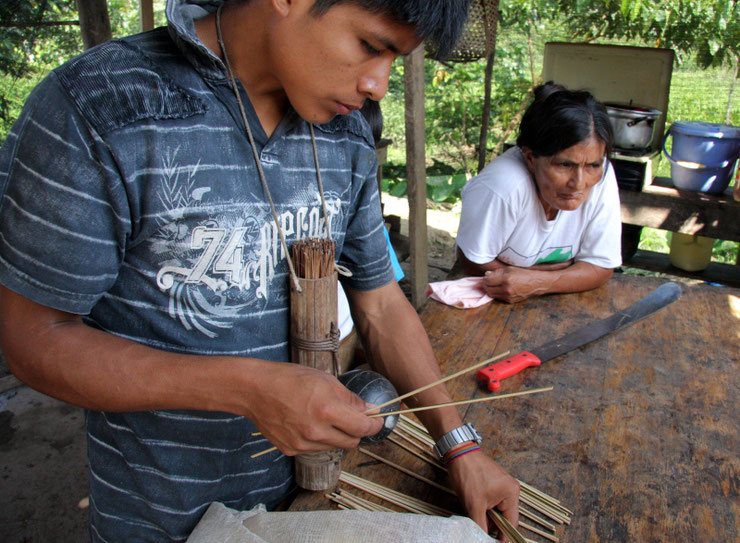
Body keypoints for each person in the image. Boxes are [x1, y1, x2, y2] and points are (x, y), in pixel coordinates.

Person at [0, 0, 520, 541]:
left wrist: (459, 444)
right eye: (370, 46)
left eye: (396, 59)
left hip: (311, 504)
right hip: (159, 519)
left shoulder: (347, 134)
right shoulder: (101, 107)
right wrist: (248, 389)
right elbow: (34, 337)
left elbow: (380, 303)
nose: (378, 84)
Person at [455, 82, 622, 303]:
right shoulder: (502, 186)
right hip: (490, 297)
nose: (579, 184)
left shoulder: (603, 175)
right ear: (531, 158)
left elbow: (601, 265)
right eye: (564, 165)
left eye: (592, 166)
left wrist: (536, 281)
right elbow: (472, 259)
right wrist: (562, 276)